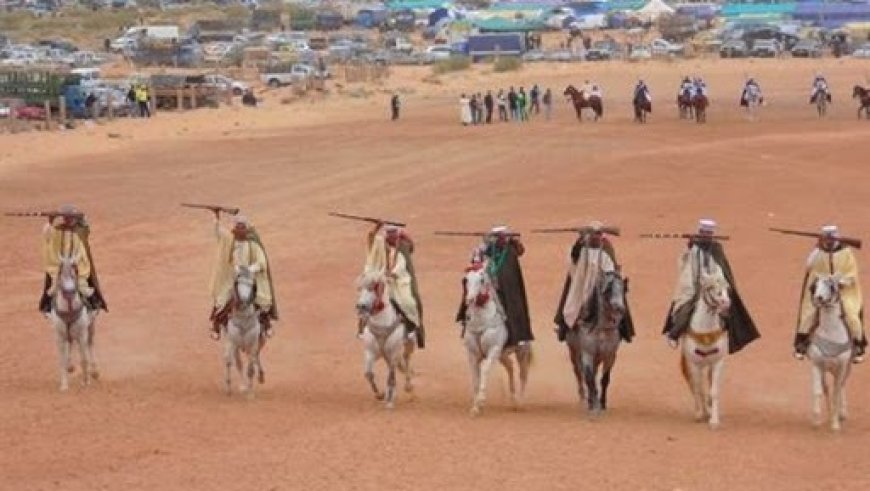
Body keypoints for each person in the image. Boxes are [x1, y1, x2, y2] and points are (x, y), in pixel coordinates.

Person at [662, 219, 760, 353]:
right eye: (703, 233)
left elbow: (721, 268)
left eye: (708, 233)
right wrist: (689, 248)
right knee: (686, 308)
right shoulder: (693, 248)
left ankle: (733, 338)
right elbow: (685, 265)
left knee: (730, 306)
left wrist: (718, 282)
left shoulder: (717, 248)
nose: (706, 236)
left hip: (715, 283)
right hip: (696, 286)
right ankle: (674, 334)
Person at [793, 225, 865, 363]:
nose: (829, 243)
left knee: (851, 314)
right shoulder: (819, 251)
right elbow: (809, 266)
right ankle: (801, 343)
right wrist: (817, 248)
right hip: (821, 286)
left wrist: (840, 282)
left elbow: (852, 273)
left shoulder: (846, 252)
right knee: (809, 312)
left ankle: (858, 345)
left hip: (844, 289)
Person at [553, 222, 634, 343]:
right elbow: (574, 258)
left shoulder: (606, 246)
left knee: (617, 296)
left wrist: (609, 278)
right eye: (593, 234)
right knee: (570, 296)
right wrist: (580, 241)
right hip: (582, 282)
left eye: (598, 234)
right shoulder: (581, 247)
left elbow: (611, 266)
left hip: (602, 282)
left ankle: (624, 329)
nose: (595, 237)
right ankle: (563, 327)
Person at [456, 226, 533, 346]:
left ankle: (518, 335)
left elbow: (521, 251)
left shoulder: (510, 249)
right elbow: (476, 259)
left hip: (504, 287)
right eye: (497, 237)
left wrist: (514, 240)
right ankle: (466, 320)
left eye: (501, 237)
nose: (499, 240)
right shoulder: (484, 248)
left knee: (514, 304)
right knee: (470, 289)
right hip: (486, 283)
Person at [209, 214, 277, 340]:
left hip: (250, 276)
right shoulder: (230, 241)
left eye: (242, 228)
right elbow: (219, 234)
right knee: (223, 298)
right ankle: (216, 325)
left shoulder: (253, 244)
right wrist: (216, 218)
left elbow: (262, 262)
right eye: (238, 228)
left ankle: (266, 323)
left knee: (262, 298)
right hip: (233, 276)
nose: (240, 231)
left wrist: (250, 269)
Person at [363, 222, 425, 348]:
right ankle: (362, 326)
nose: (392, 236)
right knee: (365, 299)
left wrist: (393, 273)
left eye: (394, 234)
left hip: (398, 281)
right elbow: (370, 238)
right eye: (390, 234)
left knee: (410, 302)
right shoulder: (379, 244)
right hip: (380, 278)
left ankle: (412, 329)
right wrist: (377, 227)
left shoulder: (401, 246)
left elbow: (408, 254)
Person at [39, 205, 108, 315]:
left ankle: (93, 305)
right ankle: (48, 308)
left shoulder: (80, 230)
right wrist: (50, 221)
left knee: (83, 286)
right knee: (53, 288)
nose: (68, 220)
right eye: (66, 218)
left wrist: (81, 217)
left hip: (77, 264)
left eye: (71, 218)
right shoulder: (57, 230)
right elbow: (47, 235)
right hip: (60, 265)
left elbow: (86, 227)